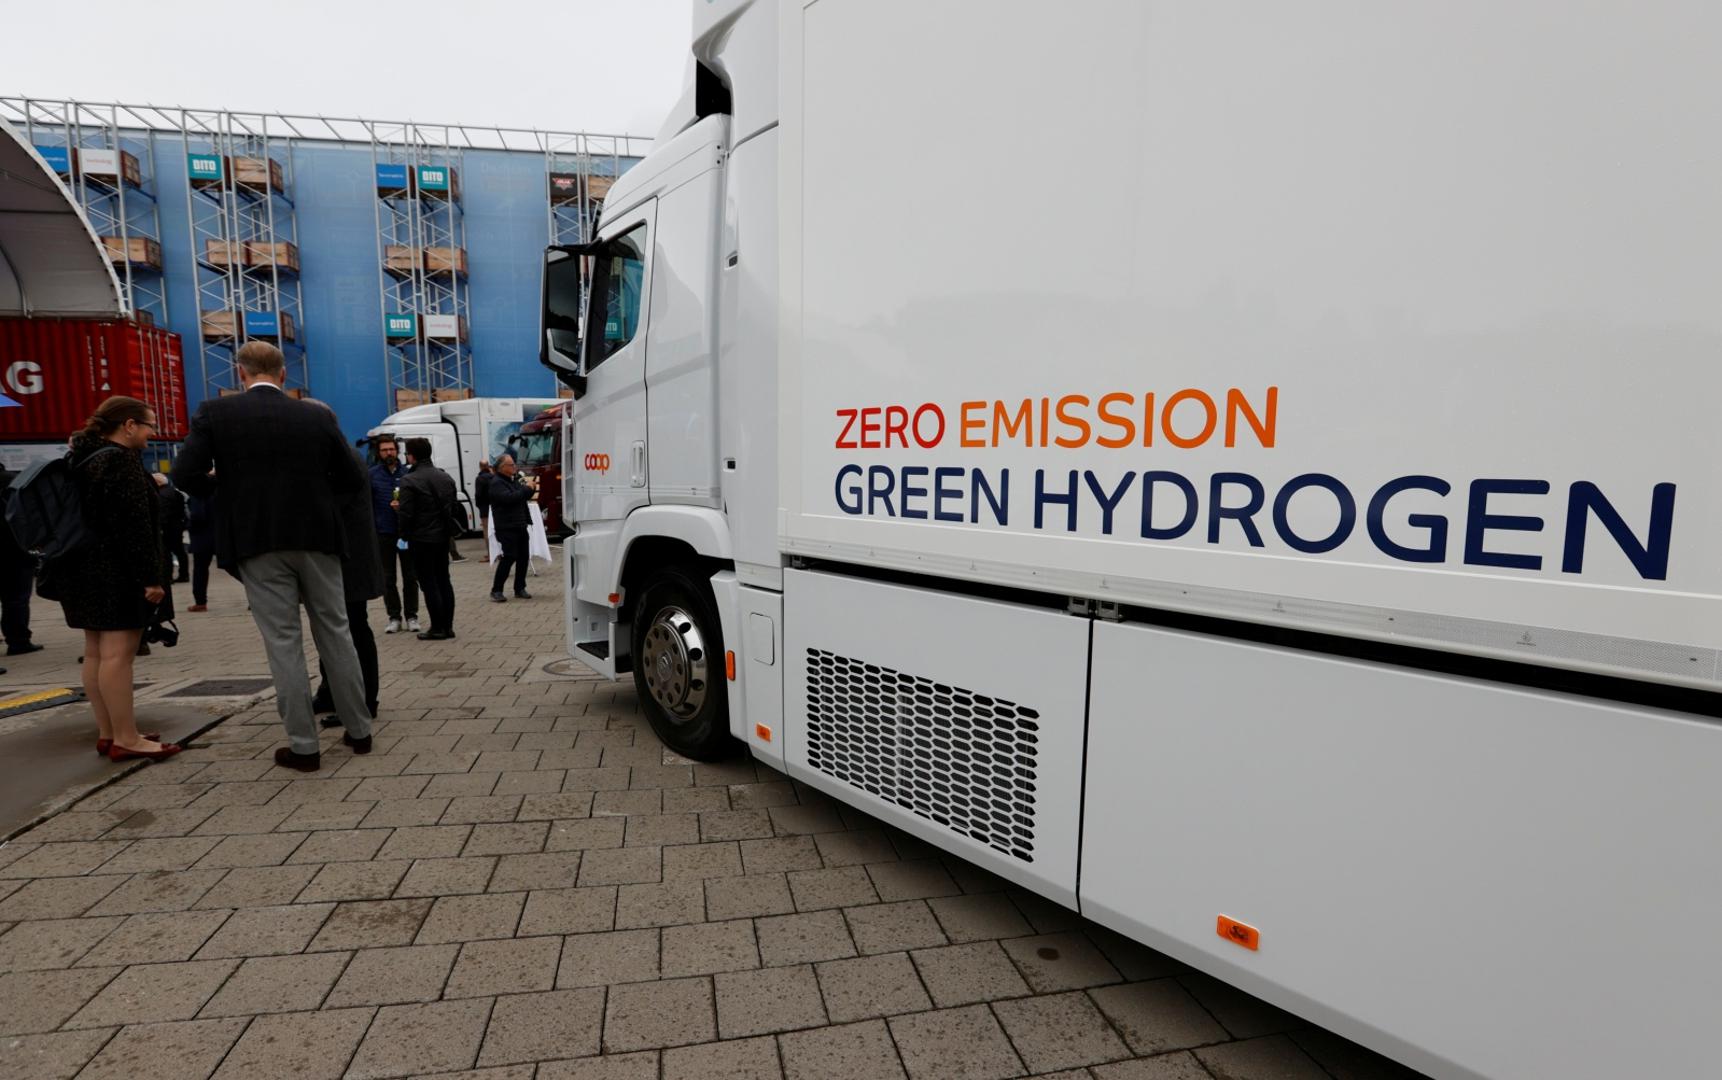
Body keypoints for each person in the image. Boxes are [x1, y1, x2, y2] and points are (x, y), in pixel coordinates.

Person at [173, 341, 372, 772]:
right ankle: (359, 731)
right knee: (336, 632)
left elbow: (183, 474)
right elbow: (354, 476)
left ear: (240, 373)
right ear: (284, 374)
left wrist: (229, 496)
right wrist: (320, 503)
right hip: (318, 538)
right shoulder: (315, 415)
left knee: (283, 642)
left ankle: (304, 746)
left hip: (256, 541)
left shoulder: (215, 413)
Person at [56, 397, 180, 762]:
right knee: (118, 657)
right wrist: (151, 578)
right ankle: (128, 738)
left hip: (81, 569)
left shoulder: (84, 457)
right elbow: (133, 528)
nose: (151, 432)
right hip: (115, 574)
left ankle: (109, 731)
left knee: (95, 653)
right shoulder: (120, 462)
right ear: (128, 425)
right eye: (148, 425)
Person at [312, 433, 383, 725]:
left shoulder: (341, 459)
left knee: (353, 631)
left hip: (348, 562)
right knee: (332, 629)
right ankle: (331, 692)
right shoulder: (341, 455)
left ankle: (362, 700)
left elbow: (327, 507)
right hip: (345, 561)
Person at [395, 437, 458, 640]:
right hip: (442, 537)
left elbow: (406, 514)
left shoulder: (409, 480)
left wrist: (402, 534)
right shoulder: (445, 477)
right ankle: (448, 626)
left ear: (411, 455)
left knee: (428, 582)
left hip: (421, 538)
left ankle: (437, 627)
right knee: (444, 580)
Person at [370, 437, 419, 634]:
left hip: (406, 531)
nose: (389, 453)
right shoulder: (372, 475)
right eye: (384, 450)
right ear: (379, 453)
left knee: (410, 576)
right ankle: (394, 616)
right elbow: (368, 504)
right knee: (387, 577)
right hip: (384, 532)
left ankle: (412, 616)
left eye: (391, 449)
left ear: (397, 451)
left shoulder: (408, 473)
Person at [0, 461, 41, 657]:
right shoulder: (14, 480)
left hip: (14, 548)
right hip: (15, 548)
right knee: (16, 598)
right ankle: (18, 641)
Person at [486, 454, 534, 602]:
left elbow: (522, 496)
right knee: (510, 556)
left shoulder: (513, 481)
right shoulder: (497, 483)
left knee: (523, 557)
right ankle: (496, 590)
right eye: (511, 465)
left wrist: (530, 488)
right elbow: (509, 499)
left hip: (519, 524)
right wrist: (526, 490)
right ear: (502, 468)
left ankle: (519, 588)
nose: (514, 467)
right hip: (506, 526)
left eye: (514, 464)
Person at [152, 472, 190, 583]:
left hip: (167, 528)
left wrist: (160, 528)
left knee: (166, 553)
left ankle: (168, 576)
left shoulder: (159, 495)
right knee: (180, 551)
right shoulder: (176, 493)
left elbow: (163, 514)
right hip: (177, 527)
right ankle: (184, 575)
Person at [186, 486, 217, 612]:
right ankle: (256, 595)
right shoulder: (216, 490)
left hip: (201, 537)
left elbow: (197, 515)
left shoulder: (196, 493)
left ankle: (200, 602)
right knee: (233, 567)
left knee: (200, 570)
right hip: (218, 534)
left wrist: (188, 525)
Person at [474, 459, 494, 563]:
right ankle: (498, 553)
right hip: (495, 507)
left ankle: (490, 555)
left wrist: (479, 505)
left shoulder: (479, 479)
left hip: (485, 508)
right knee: (495, 530)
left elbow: (478, 495)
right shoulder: (494, 477)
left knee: (486, 531)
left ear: (480, 467)